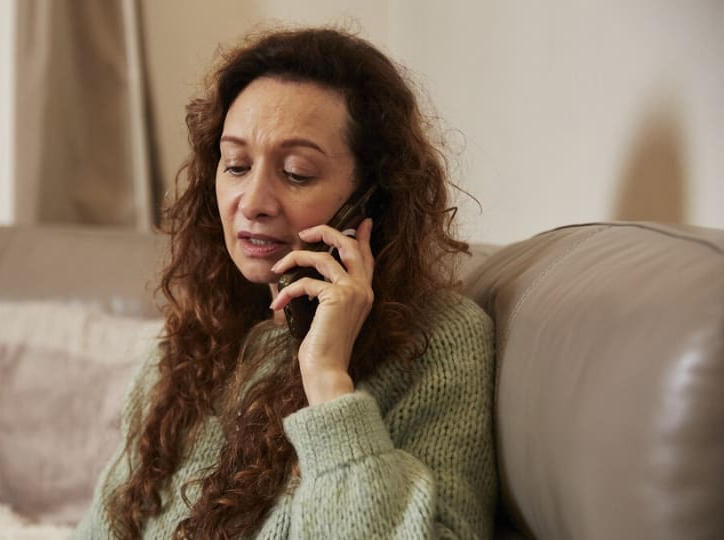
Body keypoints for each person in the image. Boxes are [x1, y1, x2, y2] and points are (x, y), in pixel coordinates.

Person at [74, 27, 496, 539]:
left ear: (373, 198)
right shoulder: (191, 339)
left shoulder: (441, 342)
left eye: (296, 173)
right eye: (236, 165)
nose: (252, 202)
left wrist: (326, 379)